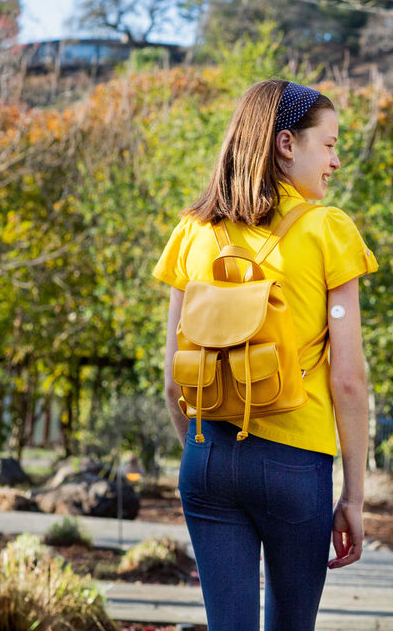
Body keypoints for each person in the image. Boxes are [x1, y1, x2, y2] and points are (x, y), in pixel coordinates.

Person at [153, 79, 377, 631]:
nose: (336, 160)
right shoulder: (329, 230)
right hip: (293, 462)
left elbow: (171, 378)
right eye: (327, 145)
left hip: (207, 452)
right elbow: (349, 379)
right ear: (286, 144)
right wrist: (354, 493)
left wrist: (203, 454)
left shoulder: (194, 231)